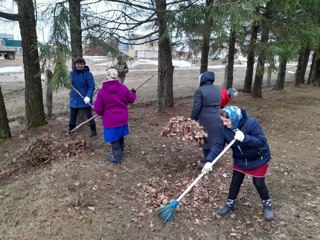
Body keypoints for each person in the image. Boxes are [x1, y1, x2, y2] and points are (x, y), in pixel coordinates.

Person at [200, 106, 274, 221]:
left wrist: (245, 138)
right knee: (235, 180)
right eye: (222, 120)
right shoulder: (224, 128)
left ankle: (267, 204)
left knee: (258, 183)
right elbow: (218, 145)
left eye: (227, 120)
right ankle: (230, 203)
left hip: (258, 158)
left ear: (234, 118)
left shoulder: (251, 123)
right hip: (240, 158)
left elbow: (261, 141)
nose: (224, 123)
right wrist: (209, 161)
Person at [93, 68, 136, 164]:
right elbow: (131, 99)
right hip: (122, 118)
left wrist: (100, 112)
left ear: (106, 77)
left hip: (110, 120)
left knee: (113, 138)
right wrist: (133, 93)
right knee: (120, 135)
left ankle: (117, 157)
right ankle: (121, 152)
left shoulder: (102, 92)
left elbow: (98, 109)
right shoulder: (123, 88)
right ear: (116, 77)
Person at [190, 71, 223, 159]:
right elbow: (220, 102)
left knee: (206, 140)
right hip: (217, 116)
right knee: (214, 139)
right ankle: (213, 158)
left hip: (206, 119)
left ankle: (208, 161)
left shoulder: (200, 90)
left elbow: (196, 108)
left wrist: (192, 119)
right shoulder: (217, 89)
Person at [69, 57, 97, 137]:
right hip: (74, 99)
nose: (80, 65)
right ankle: (71, 130)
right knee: (72, 116)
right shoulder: (72, 74)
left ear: (84, 65)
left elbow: (91, 86)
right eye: (78, 64)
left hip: (85, 99)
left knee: (89, 115)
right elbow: (69, 85)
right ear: (75, 65)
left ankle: (93, 130)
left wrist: (88, 96)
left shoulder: (88, 74)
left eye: (81, 64)